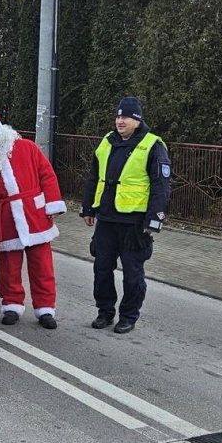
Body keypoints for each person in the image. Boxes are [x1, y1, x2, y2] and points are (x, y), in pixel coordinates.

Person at [80, 96, 172, 334]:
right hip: (107, 220)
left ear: (137, 120)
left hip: (134, 223)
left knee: (132, 275)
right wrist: (88, 208)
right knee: (101, 269)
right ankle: (105, 312)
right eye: (118, 116)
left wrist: (154, 220)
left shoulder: (153, 145)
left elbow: (161, 185)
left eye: (126, 117)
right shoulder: (107, 142)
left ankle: (129, 316)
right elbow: (93, 176)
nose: (120, 121)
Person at [0, 109, 66, 329]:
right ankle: (12, 304)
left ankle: (45, 308)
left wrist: (52, 204)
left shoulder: (27, 147)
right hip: (5, 215)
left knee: (42, 264)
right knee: (8, 265)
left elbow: (47, 174)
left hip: (34, 212)